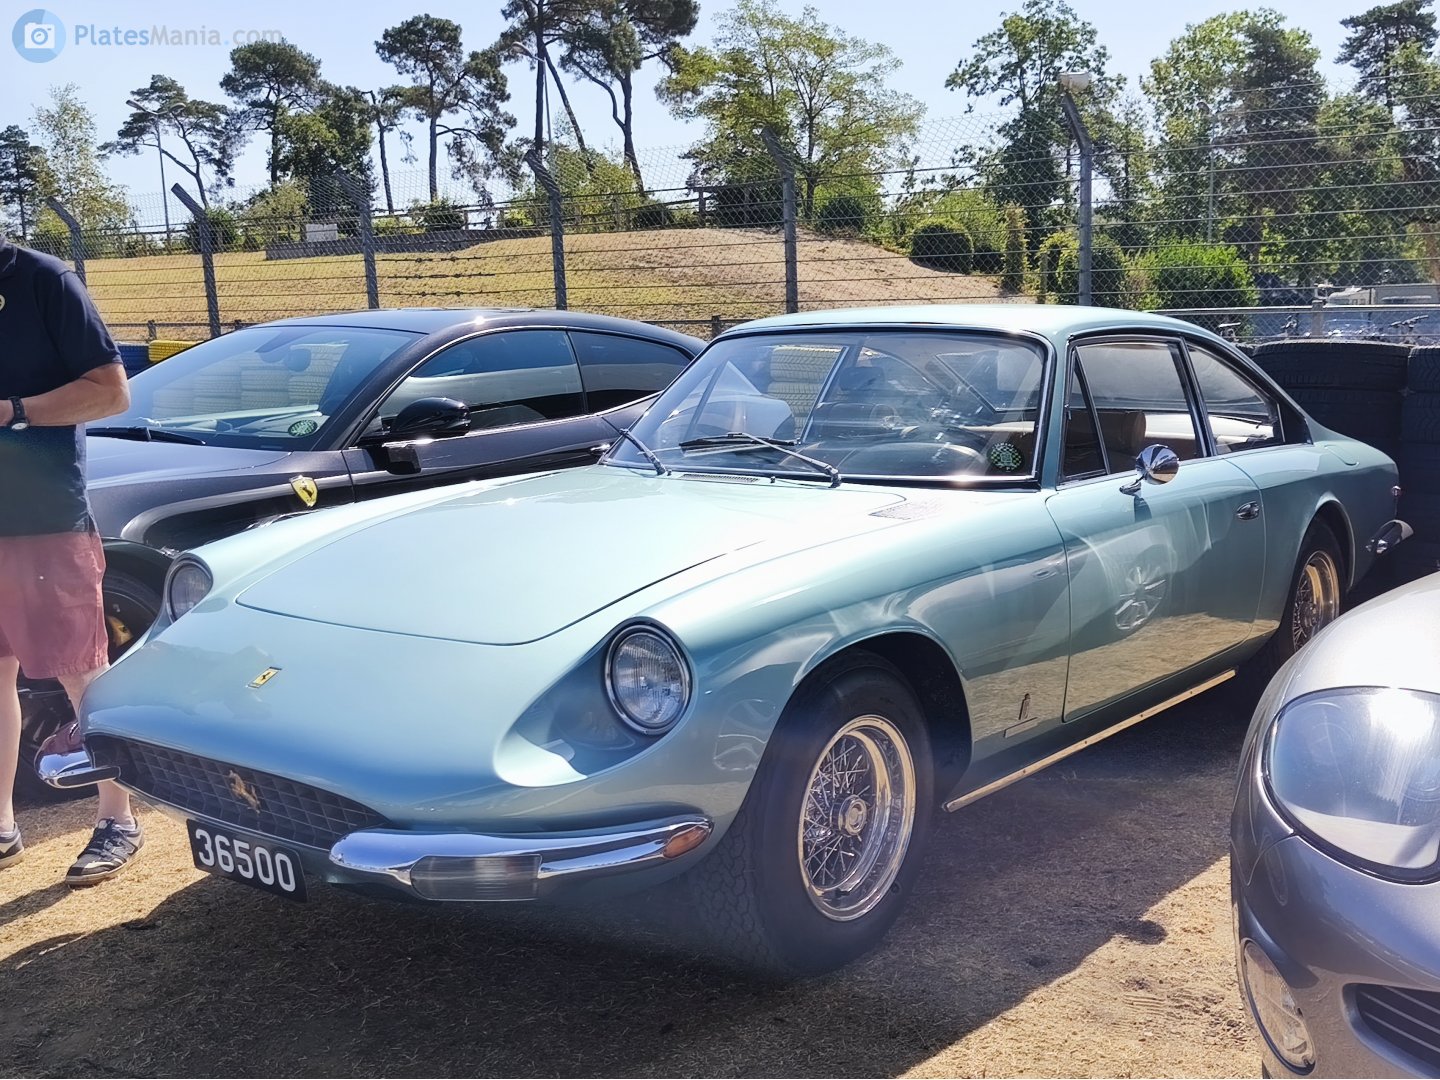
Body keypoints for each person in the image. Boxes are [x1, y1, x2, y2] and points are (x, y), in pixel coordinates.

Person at [0, 235, 141, 885]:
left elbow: (112, 393)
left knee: (81, 672)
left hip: (43, 521)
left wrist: (16, 412)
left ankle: (119, 819)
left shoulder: (44, 281)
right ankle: (2, 827)